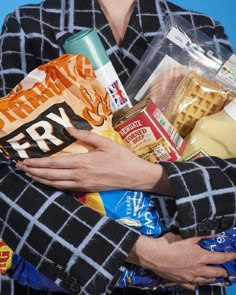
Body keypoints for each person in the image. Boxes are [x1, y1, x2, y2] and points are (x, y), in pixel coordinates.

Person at [0, 0, 236, 295]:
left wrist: (146, 175)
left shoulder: (203, 27)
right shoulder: (30, 24)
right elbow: (6, 174)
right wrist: (141, 251)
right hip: (66, 269)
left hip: (186, 270)